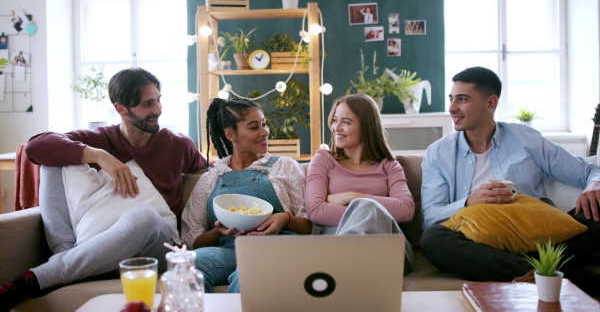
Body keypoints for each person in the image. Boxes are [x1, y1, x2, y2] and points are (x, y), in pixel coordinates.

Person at [0, 67, 210, 310]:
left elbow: (212, 171)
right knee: (52, 162)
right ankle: (65, 257)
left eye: (158, 100)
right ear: (120, 108)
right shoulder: (100, 139)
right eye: (147, 104)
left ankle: (46, 275)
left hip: (154, 248)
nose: (158, 110)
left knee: (146, 217)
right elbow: (36, 147)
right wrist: (98, 156)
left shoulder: (177, 145)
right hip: (96, 247)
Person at [420, 66, 600, 296]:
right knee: (433, 239)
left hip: (540, 239)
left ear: (490, 103)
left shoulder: (527, 139)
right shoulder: (438, 153)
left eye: (462, 99)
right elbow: (430, 217)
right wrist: (469, 202)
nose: (452, 108)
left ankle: (523, 268)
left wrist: (595, 184)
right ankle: (564, 276)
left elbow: (588, 171)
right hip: (481, 246)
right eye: (451, 98)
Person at [181, 98, 312, 293]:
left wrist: (285, 219)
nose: (264, 131)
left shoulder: (285, 166)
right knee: (188, 266)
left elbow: (311, 226)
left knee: (249, 272)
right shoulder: (211, 178)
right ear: (230, 134)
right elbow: (192, 241)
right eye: (253, 127)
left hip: (278, 250)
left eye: (264, 124)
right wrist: (218, 231)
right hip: (229, 251)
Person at [304, 94, 415, 271]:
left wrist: (353, 197)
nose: (336, 128)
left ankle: (344, 271)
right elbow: (316, 211)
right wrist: (368, 211)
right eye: (334, 120)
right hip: (337, 240)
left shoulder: (390, 165)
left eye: (346, 122)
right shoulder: (323, 159)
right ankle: (351, 269)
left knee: (368, 207)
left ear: (367, 126)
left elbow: (406, 210)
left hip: (389, 247)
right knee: (367, 209)